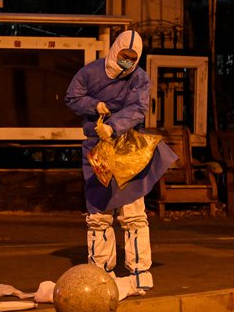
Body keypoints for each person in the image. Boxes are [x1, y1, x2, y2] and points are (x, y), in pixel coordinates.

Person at [64, 30, 177, 290]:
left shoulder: (139, 77)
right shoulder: (90, 72)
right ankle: (100, 273)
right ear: (115, 51)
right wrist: (95, 106)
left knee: (133, 212)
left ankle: (139, 273)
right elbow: (73, 97)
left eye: (131, 59)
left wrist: (113, 127)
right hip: (97, 149)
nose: (126, 63)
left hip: (127, 146)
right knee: (99, 212)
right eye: (123, 57)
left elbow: (137, 108)